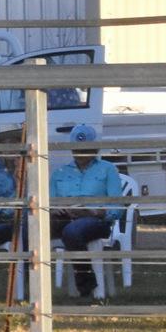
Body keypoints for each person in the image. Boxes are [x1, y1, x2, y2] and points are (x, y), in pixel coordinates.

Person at [50, 122, 127, 299]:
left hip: (95, 221)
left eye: (85, 148)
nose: (80, 153)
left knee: (72, 231)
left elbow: (117, 206)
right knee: (31, 229)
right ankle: (27, 287)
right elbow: (49, 202)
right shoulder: (59, 172)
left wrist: (98, 212)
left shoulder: (108, 169)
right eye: (76, 149)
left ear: (94, 149)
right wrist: (55, 209)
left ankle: (86, 287)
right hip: (64, 218)